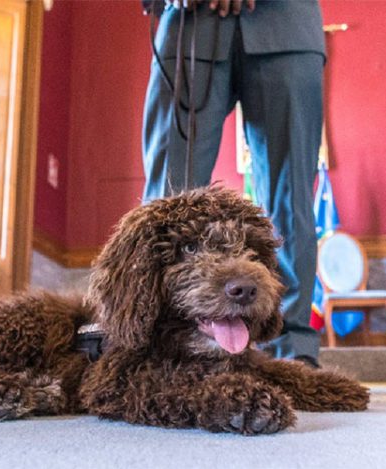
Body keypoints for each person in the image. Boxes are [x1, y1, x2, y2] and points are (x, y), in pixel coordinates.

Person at [142, 0, 325, 367]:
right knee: (168, 201)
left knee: (290, 203)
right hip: (188, 23)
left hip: (287, 24)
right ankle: (156, 347)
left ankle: (292, 351)